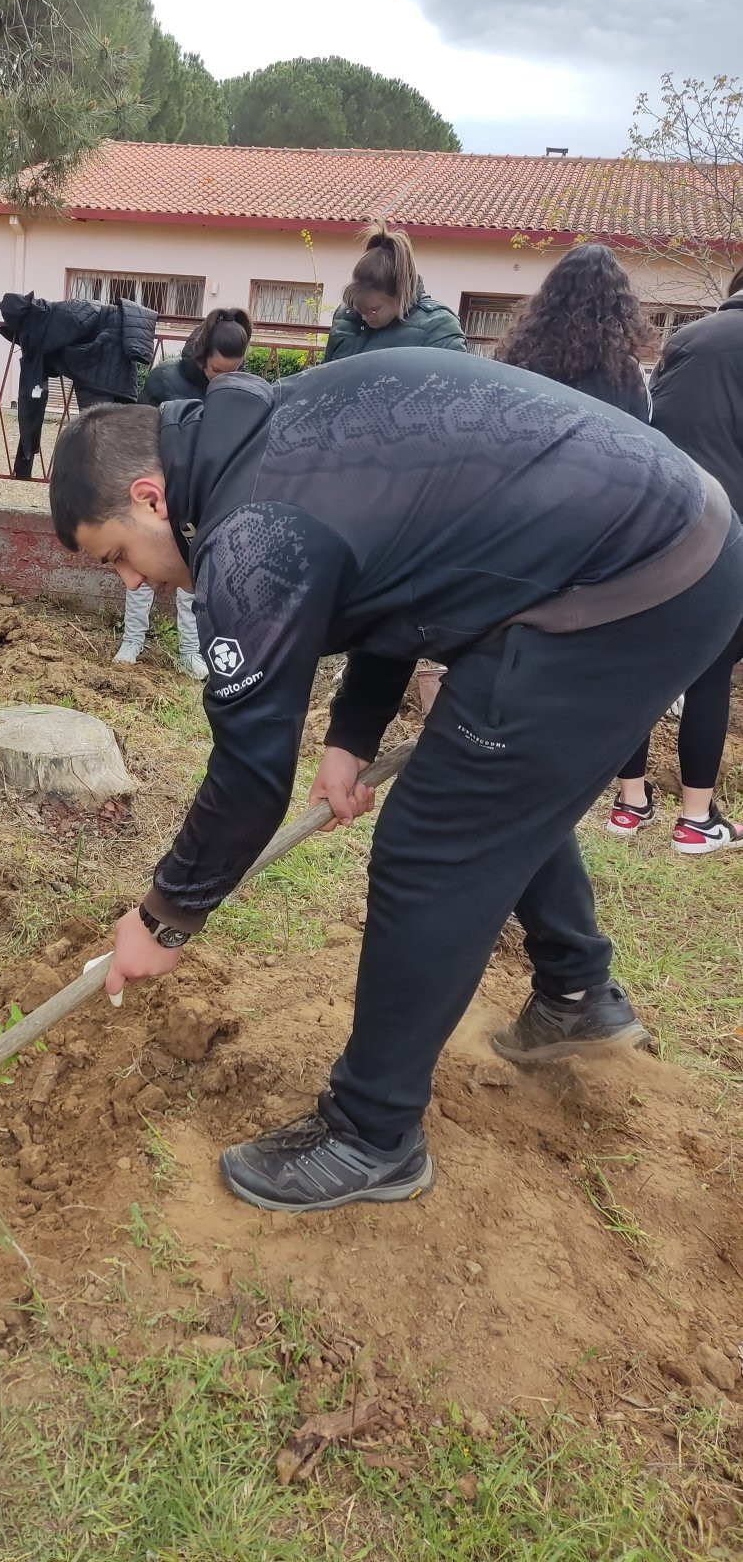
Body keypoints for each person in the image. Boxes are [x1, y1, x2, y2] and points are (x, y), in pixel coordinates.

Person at [48, 350, 740, 1214]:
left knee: (433, 843)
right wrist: (350, 737)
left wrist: (164, 919)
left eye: (115, 554)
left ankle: (371, 1133)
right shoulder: (262, 440)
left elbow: (250, 777)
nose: (130, 581)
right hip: (673, 537)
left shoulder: (251, 535)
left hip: (636, 580)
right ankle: (576, 991)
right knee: (498, 784)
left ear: (151, 497)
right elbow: (401, 567)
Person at [607, 263, 743, 852]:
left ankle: (628, 804)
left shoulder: (688, 338)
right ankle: (695, 820)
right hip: (731, 530)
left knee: (641, 664)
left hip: (663, 518)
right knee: (712, 672)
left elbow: (654, 421)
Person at [120, 309, 254, 679]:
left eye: (233, 371)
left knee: (194, 573)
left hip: (203, 495)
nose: (224, 379)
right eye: (217, 370)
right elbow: (138, 433)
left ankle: (190, 651)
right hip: (160, 489)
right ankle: (132, 641)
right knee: (144, 561)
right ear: (202, 355)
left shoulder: (239, 389)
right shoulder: (165, 380)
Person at [494, 242, 650, 420]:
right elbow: (640, 429)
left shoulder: (520, 354)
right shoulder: (624, 374)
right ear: (618, 306)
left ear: (551, 297)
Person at [321, 221, 466, 362]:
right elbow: (325, 373)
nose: (365, 317)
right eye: (360, 308)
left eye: (374, 309)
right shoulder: (345, 316)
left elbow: (454, 377)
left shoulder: (439, 327)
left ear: (400, 294)